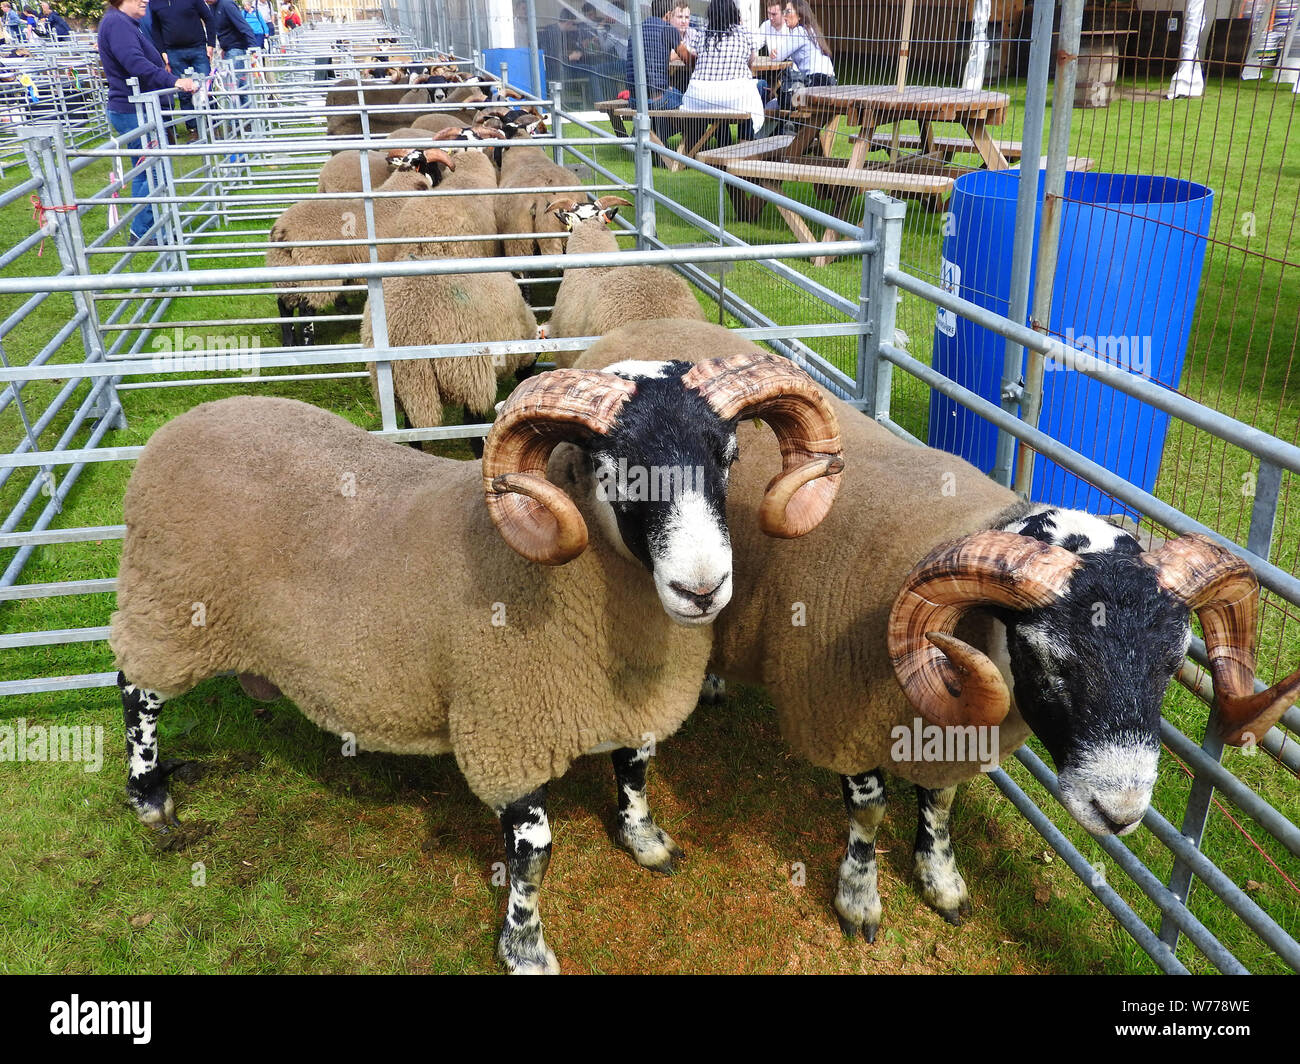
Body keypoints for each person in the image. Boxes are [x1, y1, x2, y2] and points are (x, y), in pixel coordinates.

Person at [98, 0, 199, 245]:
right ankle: (143, 231)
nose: (145, 0)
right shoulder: (118, 24)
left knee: (148, 171)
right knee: (153, 170)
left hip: (135, 107)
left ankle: (153, 230)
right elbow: (135, 63)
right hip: (133, 108)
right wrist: (173, 81)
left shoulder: (125, 23)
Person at [678, 0, 763, 138]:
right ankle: (745, 141)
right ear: (734, 13)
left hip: (699, 98)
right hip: (734, 98)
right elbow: (752, 59)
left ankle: (700, 146)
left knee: (720, 104)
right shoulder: (743, 32)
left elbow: (695, 55)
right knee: (757, 89)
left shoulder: (702, 33)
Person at [142, 0, 215, 137]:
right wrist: (163, 52)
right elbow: (156, 28)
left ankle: (213, 125)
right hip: (174, 53)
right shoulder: (155, 3)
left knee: (206, 88)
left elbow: (209, 18)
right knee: (184, 92)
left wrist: (210, 45)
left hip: (198, 48)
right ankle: (193, 129)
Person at [771, 0, 834, 116]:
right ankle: (791, 129)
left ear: (799, 15)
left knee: (782, 101)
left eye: (788, 11)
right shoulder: (810, 30)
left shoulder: (799, 32)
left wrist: (774, 53)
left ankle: (788, 130)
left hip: (816, 83)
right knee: (785, 99)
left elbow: (777, 57)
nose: (784, 15)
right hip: (830, 82)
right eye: (784, 11)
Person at [207, 0, 255, 105]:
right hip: (229, 49)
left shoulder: (227, 5)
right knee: (240, 86)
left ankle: (235, 119)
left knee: (232, 86)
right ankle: (249, 117)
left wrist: (253, 48)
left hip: (236, 49)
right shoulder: (213, 7)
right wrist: (223, 48)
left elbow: (243, 25)